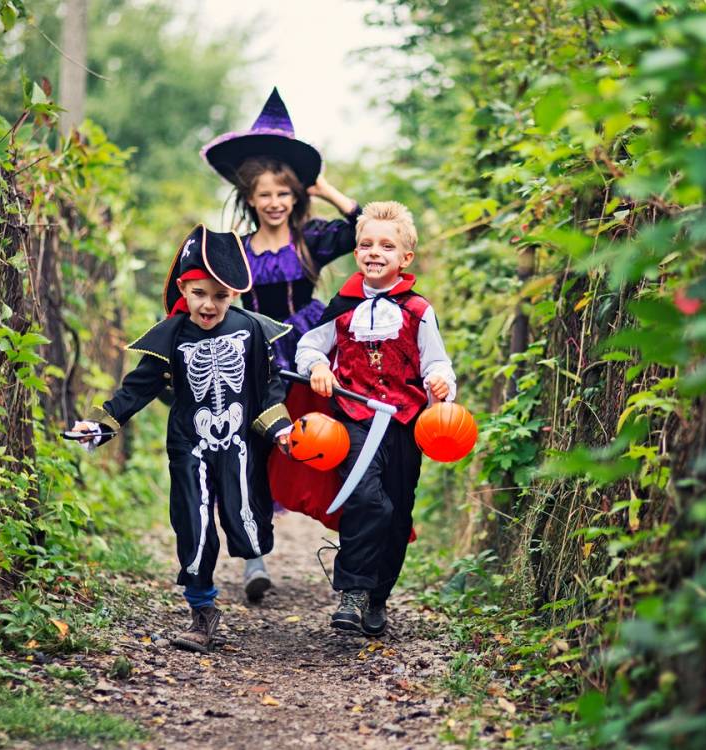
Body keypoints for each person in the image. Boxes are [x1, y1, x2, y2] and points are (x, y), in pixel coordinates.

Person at [70, 225, 293, 653]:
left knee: (244, 514)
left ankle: (248, 566)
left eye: (221, 295)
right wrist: (99, 424)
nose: (209, 305)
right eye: (200, 294)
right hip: (189, 443)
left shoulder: (252, 331)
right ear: (182, 289)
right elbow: (137, 389)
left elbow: (271, 385)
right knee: (193, 520)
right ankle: (202, 610)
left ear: (234, 295)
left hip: (241, 443)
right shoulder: (169, 336)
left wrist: (279, 427)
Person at [201, 87, 360, 601]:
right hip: (252, 356)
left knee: (326, 447)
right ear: (250, 198)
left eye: (284, 193)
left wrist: (327, 189)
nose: (274, 203)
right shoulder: (237, 250)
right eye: (265, 194)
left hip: (308, 352)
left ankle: (354, 553)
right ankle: (254, 559)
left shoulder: (311, 240)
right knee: (246, 449)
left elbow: (367, 231)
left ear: (296, 196)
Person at [294, 201, 457, 636]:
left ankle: (377, 598)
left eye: (387, 245)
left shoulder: (419, 310)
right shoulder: (342, 305)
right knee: (367, 500)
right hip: (355, 418)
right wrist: (319, 367)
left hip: (405, 424)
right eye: (366, 244)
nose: (374, 252)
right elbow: (310, 346)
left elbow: (437, 364)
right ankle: (352, 592)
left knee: (397, 512)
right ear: (356, 252)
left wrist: (441, 384)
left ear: (405, 257)